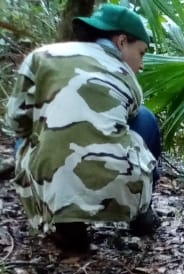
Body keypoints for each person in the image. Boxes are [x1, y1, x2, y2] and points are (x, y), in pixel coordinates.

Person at [5, 4, 162, 251]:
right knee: (145, 119)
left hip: (52, 184)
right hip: (118, 186)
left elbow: (15, 120)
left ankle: (65, 220)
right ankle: (140, 213)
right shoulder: (125, 75)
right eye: (141, 53)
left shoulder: (40, 56)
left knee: (25, 136)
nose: (141, 65)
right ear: (122, 42)